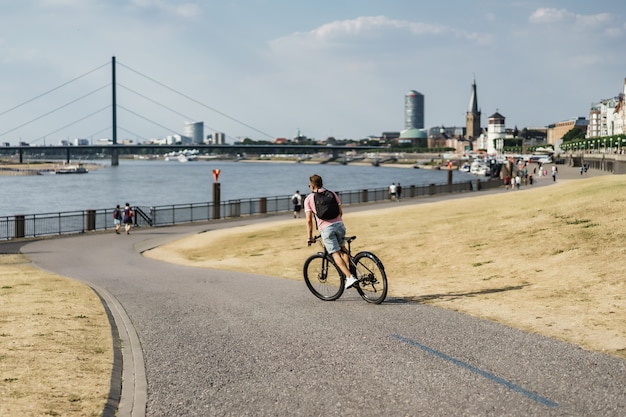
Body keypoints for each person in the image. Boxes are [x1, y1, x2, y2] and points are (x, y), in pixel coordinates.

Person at [304, 174, 357, 289]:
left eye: (309, 185)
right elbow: (340, 212)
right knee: (342, 249)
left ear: (312, 186)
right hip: (340, 225)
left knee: (334, 253)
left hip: (326, 229)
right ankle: (352, 272)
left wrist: (310, 237)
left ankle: (349, 277)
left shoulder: (309, 199)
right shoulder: (332, 193)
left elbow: (309, 221)